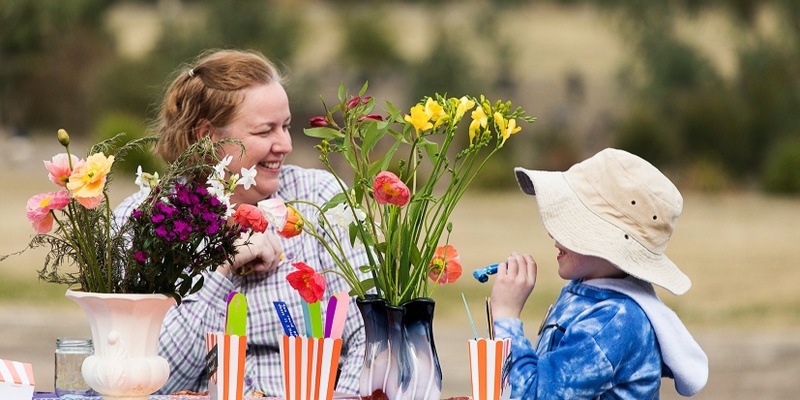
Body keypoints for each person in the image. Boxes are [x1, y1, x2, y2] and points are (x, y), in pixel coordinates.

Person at [113, 49, 369, 396]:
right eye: (266, 131)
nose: (287, 144)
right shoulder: (145, 222)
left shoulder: (319, 198)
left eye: (286, 126)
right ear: (207, 136)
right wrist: (221, 269)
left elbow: (370, 335)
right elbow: (149, 378)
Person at [490, 148, 708, 399]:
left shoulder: (612, 321)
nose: (553, 233)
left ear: (607, 243)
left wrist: (506, 315)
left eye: (570, 221)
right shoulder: (588, 293)